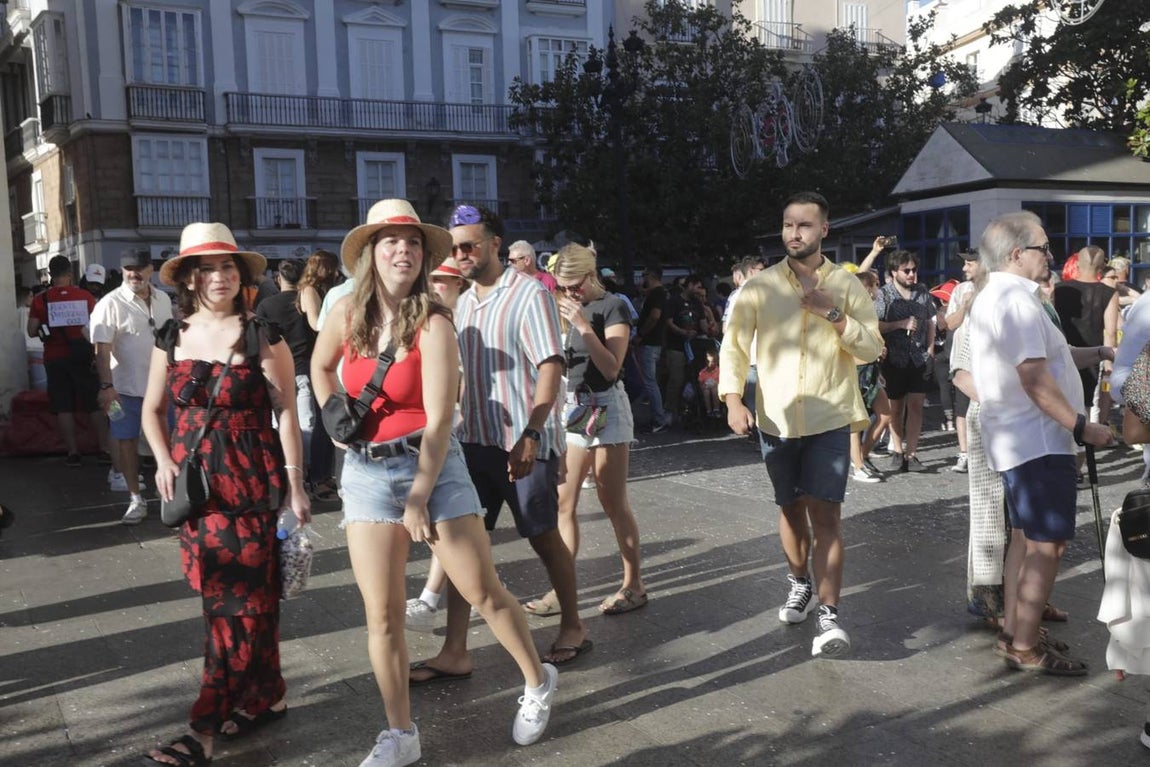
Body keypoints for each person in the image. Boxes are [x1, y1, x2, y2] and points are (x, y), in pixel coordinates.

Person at [312, 199, 557, 764]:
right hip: (368, 473)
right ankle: (401, 735)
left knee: (483, 592)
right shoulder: (345, 311)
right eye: (391, 240)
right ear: (371, 253)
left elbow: (442, 416)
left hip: (433, 468)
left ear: (423, 257)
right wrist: (334, 414)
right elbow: (321, 367)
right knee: (382, 615)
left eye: (413, 241)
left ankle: (537, 681)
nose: (404, 249)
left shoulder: (435, 321)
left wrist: (419, 493)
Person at [139, 222, 309, 766]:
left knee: (234, 606)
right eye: (207, 268)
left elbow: (285, 412)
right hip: (199, 492)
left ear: (241, 275)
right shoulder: (172, 335)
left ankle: (203, 729)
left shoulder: (261, 334)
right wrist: (164, 460)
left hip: (254, 486)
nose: (219, 276)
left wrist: (296, 485)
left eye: (228, 266)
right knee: (240, 602)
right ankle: (267, 694)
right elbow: (150, 409)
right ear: (190, 277)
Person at [411, 203, 587, 678]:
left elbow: (551, 364)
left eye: (470, 244)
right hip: (474, 442)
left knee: (543, 536)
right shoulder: (462, 302)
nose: (462, 254)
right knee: (462, 547)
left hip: (522, 442)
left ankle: (573, 625)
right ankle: (454, 651)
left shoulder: (529, 294)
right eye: (455, 247)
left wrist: (532, 433)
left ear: (495, 245)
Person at [720, 191, 882, 658]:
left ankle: (830, 616)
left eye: (804, 225)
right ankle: (800, 583)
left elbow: (871, 348)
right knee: (790, 509)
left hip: (831, 416)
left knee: (826, 515)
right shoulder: (760, 287)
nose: (794, 233)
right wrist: (733, 399)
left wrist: (831, 313)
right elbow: (733, 346)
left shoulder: (848, 287)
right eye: (789, 224)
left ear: (824, 230)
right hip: (776, 416)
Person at [968, 211, 1113, 676]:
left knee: (1024, 541)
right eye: (1043, 248)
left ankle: (1015, 629)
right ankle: (1025, 645)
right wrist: (1081, 426)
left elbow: (1053, 356)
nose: (1050, 256)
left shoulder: (1002, 297)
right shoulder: (1015, 301)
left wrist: (1102, 352)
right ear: (1016, 254)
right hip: (1039, 440)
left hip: (1022, 440)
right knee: (1047, 544)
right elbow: (1034, 379)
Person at [552, 242, 647, 621]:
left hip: (607, 402)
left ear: (591, 275)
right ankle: (562, 586)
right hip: (577, 405)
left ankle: (634, 584)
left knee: (612, 501)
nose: (569, 293)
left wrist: (581, 325)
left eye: (574, 285)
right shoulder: (565, 305)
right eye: (563, 287)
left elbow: (611, 368)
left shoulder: (613, 306)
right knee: (564, 500)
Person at [406, 255, 470, 632]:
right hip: (447, 432)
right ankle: (433, 600)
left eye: (442, 280)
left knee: (449, 524)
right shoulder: (429, 321)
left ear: (458, 283)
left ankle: (432, 599)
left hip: (467, 431)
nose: (434, 286)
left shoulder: (465, 319)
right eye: (431, 280)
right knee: (449, 525)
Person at [90, 249, 174, 524]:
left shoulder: (163, 300)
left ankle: (170, 495)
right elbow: (101, 350)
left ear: (151, 269)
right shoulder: (109, 303)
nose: (133, 273)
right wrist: (106, 386)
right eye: (128, 269)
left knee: (169, 439)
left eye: (139, 268)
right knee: (124, 440)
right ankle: (135, 498)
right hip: (122, 388)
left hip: (162, 388)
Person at [255, 259, 328, 497]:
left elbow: (260, 337)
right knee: (307, 425)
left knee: (280, 425)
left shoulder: (266, 304)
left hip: (276, 372)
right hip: (304, 368)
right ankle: (307, 476)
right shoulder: (306, 301)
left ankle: (286, 475)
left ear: (278, 279)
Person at [27, 255, 107, 467]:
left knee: (63, 406)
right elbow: (96, 328)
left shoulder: (40, 300)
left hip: (54, 358)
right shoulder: (86, 297)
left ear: (50, 275)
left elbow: (32, 330)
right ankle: (104, 449)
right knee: (94, 404)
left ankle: (73, 453)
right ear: (70, 274)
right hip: (83, 356)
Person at [874, 249, 935, 473]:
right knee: (896, 408)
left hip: (920, 357)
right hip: (894, 358)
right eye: (906, 270)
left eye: (914, 270)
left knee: (917, 406)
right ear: (894, 272)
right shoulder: (884, 294)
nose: (911, 274)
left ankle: (912, 453)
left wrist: (930, 349)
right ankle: (897, 450)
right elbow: (875, 324)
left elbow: (930, 320)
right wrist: (899, 324)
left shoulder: (922, 291)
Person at [1053, 245, 1118, 431]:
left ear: (1077, 264)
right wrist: (1108, 360)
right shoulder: (1108, 293)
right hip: (1091, 354)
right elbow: (1111, 332)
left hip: (1062, 350)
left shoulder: (1059, 289)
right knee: (1085, 403)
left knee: (1061, 398)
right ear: (1101, 268)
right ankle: (1083, 445)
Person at [944, 250, 981, 473]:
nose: (964, 268)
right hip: (964, 361)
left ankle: (983, 453)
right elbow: (949, 324)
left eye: (969, 264)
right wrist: (965, 306)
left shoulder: (993, 288)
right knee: (962, 409)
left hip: (986, 360)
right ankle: (964, 453)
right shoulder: (960, 290)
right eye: (964, 263)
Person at [634, 266, 671, 432]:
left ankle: (659, 418)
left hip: (649, 341)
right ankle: (659, 415)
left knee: (650, 382)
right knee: (652, 381)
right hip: (655, 341)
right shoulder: (658, 293)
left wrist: (641, 333)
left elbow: (654, 316)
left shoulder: (657, 294)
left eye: (644, 275)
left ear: (651, 275)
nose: (643, 279)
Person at [296, 249, 342, 331]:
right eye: (332, 269)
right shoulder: (309, 290)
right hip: (315, 341)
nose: (336, 274)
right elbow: (316, 324)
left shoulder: (315, 289)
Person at [698, 348, 721, 416]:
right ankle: (709, 411)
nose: (710, 364)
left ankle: (716, 409)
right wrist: (703, 386)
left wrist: (716, 384)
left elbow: (721, 381)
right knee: (706, 391)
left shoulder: (719, 370)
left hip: (716, 387)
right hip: (706, 388)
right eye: (708, 361)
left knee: (714, 390)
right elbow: (700, 383)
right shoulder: (703, 372)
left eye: (712, 361)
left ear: (717, 362)